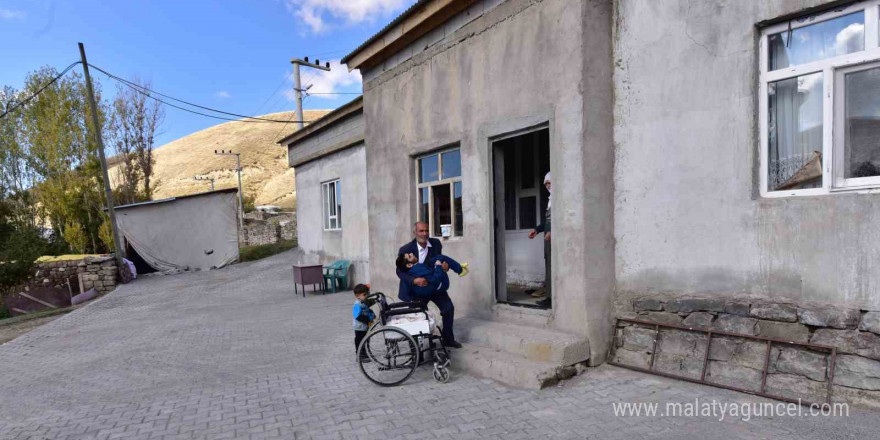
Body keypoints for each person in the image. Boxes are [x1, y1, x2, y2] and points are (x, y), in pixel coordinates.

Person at [397, 222, 462, 348]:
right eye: (421, 231)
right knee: (417, 317)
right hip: (417, 289)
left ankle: (448, 339)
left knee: (448, 309)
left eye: (427, 230)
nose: (424, 233)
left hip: (434, 285)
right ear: (415, 233)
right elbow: (399, 271)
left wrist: (445, 267)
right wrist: (414, 281)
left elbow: (440, 262)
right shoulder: (405, 250)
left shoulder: (436, 243)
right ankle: (416, 350)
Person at [528, 172, 552, 308]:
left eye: (549, 183)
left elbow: (560, 218)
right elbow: (547, 221)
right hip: (548, 241)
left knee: (553, 268)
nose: (548, 186)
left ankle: (552, 298)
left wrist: (553, 231)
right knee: (549, 266)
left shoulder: (557, 199)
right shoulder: (550, 200)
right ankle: (549, 296)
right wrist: (537, 230)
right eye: (546, 184)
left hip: (555, 241)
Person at [395, 252, 468, 296]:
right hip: (441, 285)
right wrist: (438, 266)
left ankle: (459, 268)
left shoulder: (415, 267)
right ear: (409, 265)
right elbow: (435, 279)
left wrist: (444, 266)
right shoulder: (418, 268)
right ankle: (460, 270)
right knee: (439, 261)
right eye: (410, 256)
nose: (412, 253)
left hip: (429, 273)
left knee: (440, 258)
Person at [352, 284, 375, 362]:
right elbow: (357, 315)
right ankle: (360, 356)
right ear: (358, 296)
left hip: (364, 326)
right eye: (365, 295)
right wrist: (368, 319)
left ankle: (364, 354)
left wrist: (372, 315)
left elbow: (367, 310)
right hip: (359, 327)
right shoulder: (357, 304)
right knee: (359, 341)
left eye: (367, 294)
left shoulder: (363, 302)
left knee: (364, 340)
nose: (367, 296)